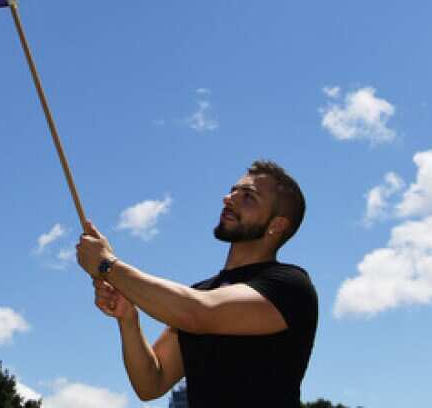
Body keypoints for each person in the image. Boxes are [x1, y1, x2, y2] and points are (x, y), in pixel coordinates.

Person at [75, 160, 317, 407]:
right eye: (233, 190)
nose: (229, 198)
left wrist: (108, 266)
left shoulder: (289, 286)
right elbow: (150, 383)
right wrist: (128, 318)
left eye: (248, 197)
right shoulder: (201, 292)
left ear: (277, 225)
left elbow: (198, 313)